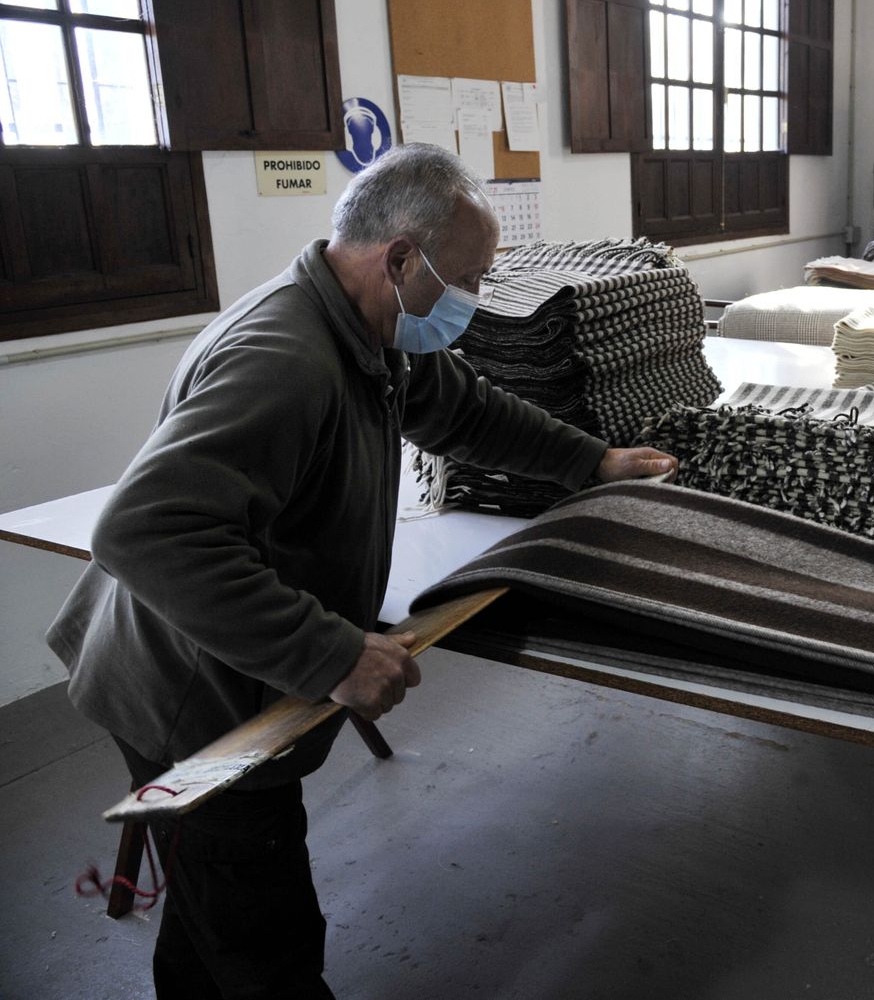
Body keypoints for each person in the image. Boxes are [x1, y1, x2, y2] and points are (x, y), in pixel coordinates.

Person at [47, 144, 677, 999]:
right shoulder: (286, 360)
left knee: (208, 922)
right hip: (193, 697)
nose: (478, 301)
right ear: (404, 259)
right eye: (472, 280)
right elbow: (143, 531)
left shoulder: (369, 330)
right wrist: (333, 654)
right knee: (264, 939)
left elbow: (466, 411)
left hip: (215, 667)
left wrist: (592, 462)